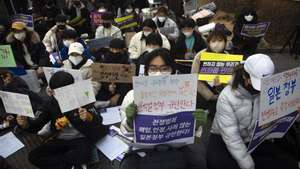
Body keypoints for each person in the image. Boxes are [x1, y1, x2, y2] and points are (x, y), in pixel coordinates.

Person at [207, 54, 299, 169]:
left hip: (253, 137)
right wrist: (248, 164)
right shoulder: (227, 96)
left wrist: (292, 110)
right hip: (223, 137)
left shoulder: (272, 88)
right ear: (246, 76)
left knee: (287, 162)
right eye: (258, 82)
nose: (261, 88)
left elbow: (277, 112)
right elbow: (231, 136)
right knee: (218, 164)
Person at [16, 71, 108, 169]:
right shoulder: (49, 104)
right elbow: (37, 123)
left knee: (83, 152)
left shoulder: (82, 98)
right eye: (61, 92)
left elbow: (99, 120)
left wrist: (89, 117)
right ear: (52, 91)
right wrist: (25, 124)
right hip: (60, 138)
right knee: (34, 156)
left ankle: (69, 163)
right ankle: (71, 164)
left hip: (81, 138)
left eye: (68, 90)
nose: (66, 95)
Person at [191, 30, 228, 113]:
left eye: (220, 40)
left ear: (225, 42)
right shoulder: (200, 56)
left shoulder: (228, 56)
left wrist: (220, 90)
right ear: (208, 42)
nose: (217, 44)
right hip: (202, 94)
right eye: (213, 41)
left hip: (222, 95)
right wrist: (210, 96)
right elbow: (194, 78)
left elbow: (230, 79)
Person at [96, 38, 132, 106]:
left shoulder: (126, 62)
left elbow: (128, 82)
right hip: (107, 89)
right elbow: (101, 76)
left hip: (121, 90)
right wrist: (108, 86)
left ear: (122, 50)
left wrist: (118, 94)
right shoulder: (105, 60)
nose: (114, 52)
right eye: (112, 49)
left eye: (117, 50)